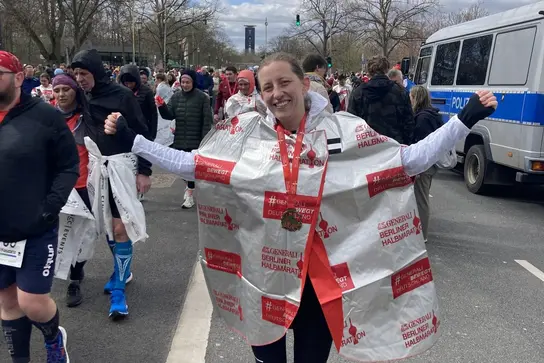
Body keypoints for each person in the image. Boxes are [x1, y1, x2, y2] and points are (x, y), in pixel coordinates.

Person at [103, 52, 497, 363]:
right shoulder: (245, 136)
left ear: (304, 83)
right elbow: (193, 164)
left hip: (320, 286)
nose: (277, 93)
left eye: (284, 82)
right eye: (267, 87)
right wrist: (134, 140)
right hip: (263, 276)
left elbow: (407, 160)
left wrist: (463, 121)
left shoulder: (345, 130)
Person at [0, 51, 78, 363]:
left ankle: (53, 339)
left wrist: (49, 207)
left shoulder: (45, 117)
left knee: (31, 301)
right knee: (6, 299)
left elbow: (69, 166)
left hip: (35, 226)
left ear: (18, 78)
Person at [70, 49, 150, 320]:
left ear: (96, 72)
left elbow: (143, 132)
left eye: (84, 73)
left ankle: (118, 291)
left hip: (122, 166)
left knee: (120, 226)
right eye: (76, 74)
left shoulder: (123, 96)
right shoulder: (83, 95)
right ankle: (122, 270)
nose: (79, 79)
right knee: (105, 224)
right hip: (97, 167)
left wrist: (145, 171)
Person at [52, 74, 96, 307]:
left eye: (65, 89)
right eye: (57, 90)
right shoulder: (47, 117)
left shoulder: (86, 118)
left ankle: (75, 278)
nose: (61, 94)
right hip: (55, 187)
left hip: (82, 185)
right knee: (56, 233)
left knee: (83, 235)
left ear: (74, 92)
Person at [155, 69, 212, 209]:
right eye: (183, 82)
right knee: (182, 169)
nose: (185, 85)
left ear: (193, 82)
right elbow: (169, 115)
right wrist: (161, 106)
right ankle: (190, 189)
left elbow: (207, 120)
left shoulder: (202, 97)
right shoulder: (176, 97)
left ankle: (189, 194)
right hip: (180, 138)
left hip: (196, 139)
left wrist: (205, 140)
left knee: (191, 169)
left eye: (188, 82)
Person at [348, 55, 415, 145]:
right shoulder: (399, 91)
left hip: (367, 146)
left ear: (369, 71)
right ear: (386, 69)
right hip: (394, 145)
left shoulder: (358, 93)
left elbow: (351, 123)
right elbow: (408, 122)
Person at [410, 85, 445, 243]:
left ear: (416, 98)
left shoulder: (422, 118)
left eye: (411, 97)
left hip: (424, 164)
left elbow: (421, 143)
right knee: (421, 196)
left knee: (421, 199)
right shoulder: (432, 115)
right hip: (430, 164)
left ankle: (422, 234)